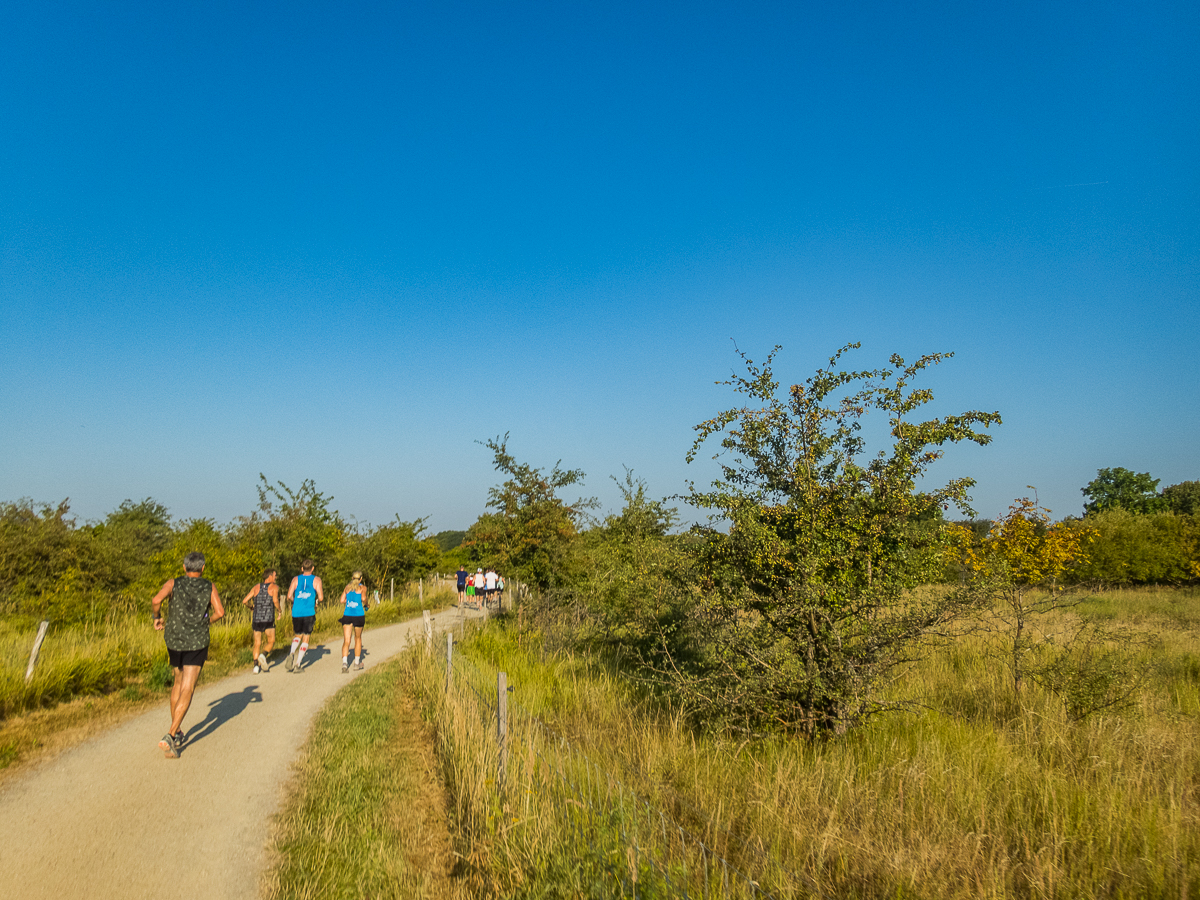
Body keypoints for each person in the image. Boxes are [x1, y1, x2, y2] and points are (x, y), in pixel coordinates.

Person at [150, 551, 225, 758]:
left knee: (177, 683)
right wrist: (203, 622)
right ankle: (171, 734)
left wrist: (157, 617)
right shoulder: (209, 586)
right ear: (203, 568)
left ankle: (177, 731)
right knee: (188, 687)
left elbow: (156, 600)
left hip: (174, 640)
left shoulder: (173, 583)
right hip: (197, 641)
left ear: (184, 567)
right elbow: (220, 612)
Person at [285, 559, 324, 673]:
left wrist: (295, 601)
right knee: (306, 637)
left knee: (298, 635)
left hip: (296, 611)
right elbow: (321, 597)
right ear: (312, 568)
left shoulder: (296, 579)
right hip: (309, 611)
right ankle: (298, 664)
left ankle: (291, 653)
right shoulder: (316, 580)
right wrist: (316, 601)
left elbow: (289, 595)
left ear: (302, 568)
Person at [241, 568, 280, 673]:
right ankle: (263, 655)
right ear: (270, 576)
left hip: (257, 618)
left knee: (257, 643)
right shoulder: (274, 587)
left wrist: (251, 607)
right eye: (275, 575)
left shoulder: (256, 587)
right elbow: (275, 600)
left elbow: (244, 601)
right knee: (271, 641)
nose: (276, 577)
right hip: (268, 618)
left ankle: (255, 667)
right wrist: (279, 610)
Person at [338, 571, 369, 673]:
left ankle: (344, 664)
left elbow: (342, 600)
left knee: (346, 640)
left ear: (352, 578)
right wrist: (366, 604)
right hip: (358, 615)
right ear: (361, 579)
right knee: (358, 638)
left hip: (347, 615)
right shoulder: (362, 588)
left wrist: (349, 601)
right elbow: (364, 598)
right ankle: (356, 663)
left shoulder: (347, 587)